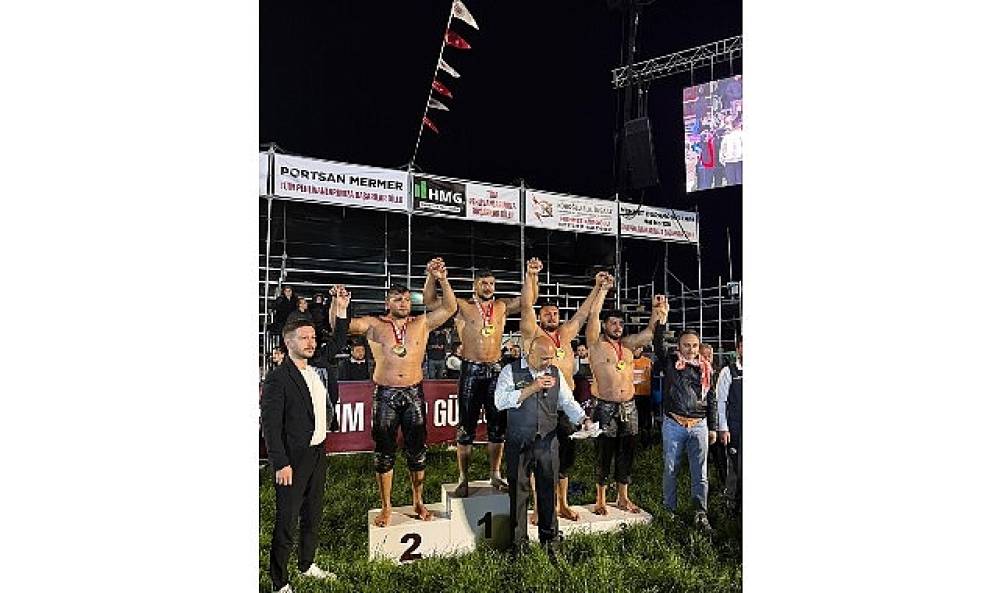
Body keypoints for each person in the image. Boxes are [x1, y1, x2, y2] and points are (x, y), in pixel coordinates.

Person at [349, 258, 457, 527]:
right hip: (385, 393)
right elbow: (343, 324)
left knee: (417, 451)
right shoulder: (374, 324)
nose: (403, 303)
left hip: (413, 393)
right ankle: (386, 506)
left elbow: (450, 307)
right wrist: (337, 306)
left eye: (407, 299)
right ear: (388, 302)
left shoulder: (421, 323)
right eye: (397, 299)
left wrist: (441, 279)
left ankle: (418, 501)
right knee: (384, 453)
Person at [260, 285, 351, 593]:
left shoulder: (317, 365)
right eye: (304, 338)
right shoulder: (277, 379)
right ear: (288, 342)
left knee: (313, 513)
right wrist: (280, 463)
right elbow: (270, 426)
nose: (312, 342)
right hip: (292, 459)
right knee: (286, 521)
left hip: (317, 453)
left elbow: (338, 341)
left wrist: (340, 308)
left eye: (313, 337)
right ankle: (279, 582)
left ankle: (307, 563)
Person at [424, 264, 529, 497]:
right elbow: (430, 302)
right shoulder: (463, 306)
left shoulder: (501, 306)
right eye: (483, 283)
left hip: (496, 370)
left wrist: (532, 275)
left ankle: (495, 474)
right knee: (465, 429)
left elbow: (528, 300)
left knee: (497, 427)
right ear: (475, 286)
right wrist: (434, 277)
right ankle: (463, 478)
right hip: (471, 370)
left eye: (491, 283)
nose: (488, 287)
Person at [520, 260, 607, 523]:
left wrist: (597, 287)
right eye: (546, 313)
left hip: (565, 407)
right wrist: (530, 276)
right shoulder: (532, 335)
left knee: (565, 458)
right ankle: (538, 507)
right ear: (540, 317)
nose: (552, 317)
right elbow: (526, 306)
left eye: (555, 314)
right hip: (540, 406)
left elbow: (582, 313)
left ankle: (562, 504)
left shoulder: (565, 335)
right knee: (538, 458)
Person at [494, 337, 591, 557]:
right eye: (544, 358)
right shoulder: (510, 371)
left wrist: (582, 419)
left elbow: (567, 401)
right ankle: (518, 545)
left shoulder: (555, 372)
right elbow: (500, 401)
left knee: (548, 490)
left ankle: (551, 542)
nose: (548, 362)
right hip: (519, 440)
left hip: (547, 441)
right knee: (518, 493)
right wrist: (532, 387)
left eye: (551, 358)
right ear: (530, 353)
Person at [586, 279, 667, 515]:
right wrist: (603, 290)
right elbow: (593, 315)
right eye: (613, 323)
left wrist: (656, 309)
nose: (617, 327)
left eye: (621, 323)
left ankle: (623, 497)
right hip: (605, 406)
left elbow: (650, 332)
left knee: (627, 452)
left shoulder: (628, 345)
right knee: (604, 452)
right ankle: (600, 499)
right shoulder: (595, 344)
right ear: (605, 325)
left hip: (629, 406)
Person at [654, 325, 719, 532]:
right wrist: (660, 323)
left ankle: (700, 513)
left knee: (700, 473)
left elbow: (712, 399)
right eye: (686, 345)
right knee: (670, 469)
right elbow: (658, 346)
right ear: (679, 346)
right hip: (674, 424)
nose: (691, 349)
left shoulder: (706, 368)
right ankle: (669, 511)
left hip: (699, 426)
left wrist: (713, 427)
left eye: (694, 345)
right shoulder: (671, 362)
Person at [716, 336, 743, 512]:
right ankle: (731, 501)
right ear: (738, 349)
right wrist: (723, 428)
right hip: (736, 426)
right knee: (735, 465)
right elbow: (721, 402)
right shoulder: (728, 371)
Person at [631, 345, 654, 446]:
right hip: (631, 395)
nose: (636, 350)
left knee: (645, 419)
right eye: (635, 348)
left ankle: (646, 443)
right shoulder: (627, 361)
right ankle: (633, 443)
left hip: (645, 395)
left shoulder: (648, 361)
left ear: (642, 349)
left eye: (639, 348)